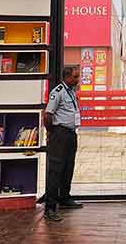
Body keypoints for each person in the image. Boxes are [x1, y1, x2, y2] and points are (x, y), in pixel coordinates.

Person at [43, 65, 83, 222]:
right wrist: (52, 131)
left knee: (68, 168)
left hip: (70, 135)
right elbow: (47, 116)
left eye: (77, 76)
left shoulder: (72, 91)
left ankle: (64, 198)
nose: (77, 79)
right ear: (66, 77)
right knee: (55, 171)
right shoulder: (57, 92)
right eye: (75, 77)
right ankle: (50, 208)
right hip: (59, 135)